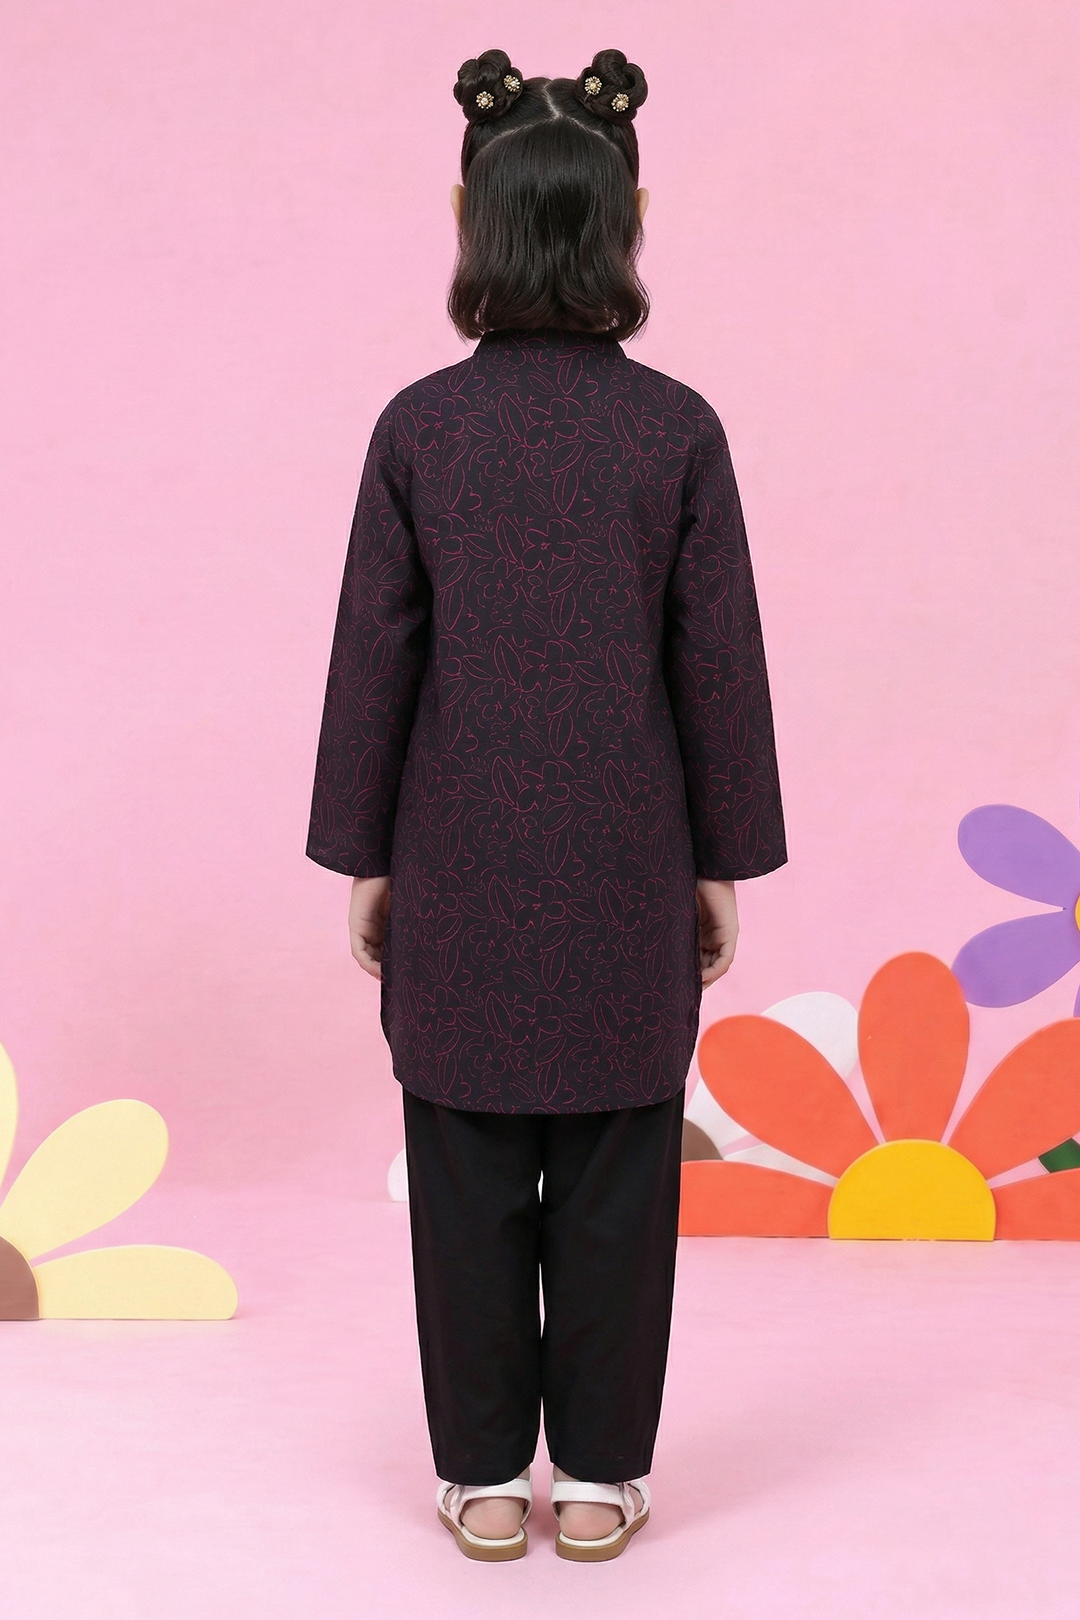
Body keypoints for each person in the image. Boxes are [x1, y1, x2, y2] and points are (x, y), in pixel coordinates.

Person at [306, 46, 787, 1562]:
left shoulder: (416, 428)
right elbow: (717, 663)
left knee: (460, 1175)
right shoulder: (680, 430)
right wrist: (722, 860)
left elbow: (374, 657)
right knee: (620, 1175)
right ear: (631, 219)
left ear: (470, 218)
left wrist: (365, 855)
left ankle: (479, 1479)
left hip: (453, 850)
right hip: (627, 857)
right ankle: (595, 1477)